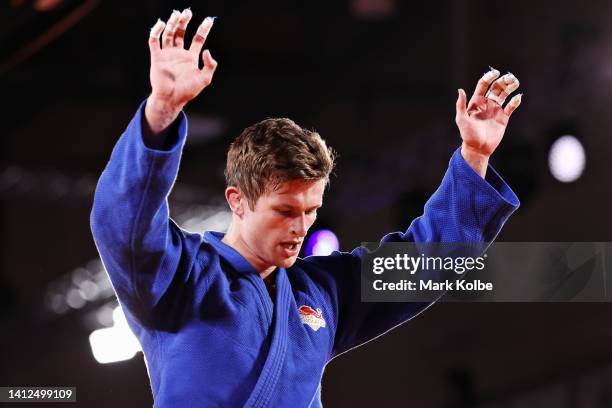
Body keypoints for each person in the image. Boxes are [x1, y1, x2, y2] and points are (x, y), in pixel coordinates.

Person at [90, 8, 521, 407]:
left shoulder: (322, 292)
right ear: (237, 201)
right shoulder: (180, 277)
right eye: (284, 211)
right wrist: (161, 111)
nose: (301, 227)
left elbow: (425, 264)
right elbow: (123, 222)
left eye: (311, 210)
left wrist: (475, 157)